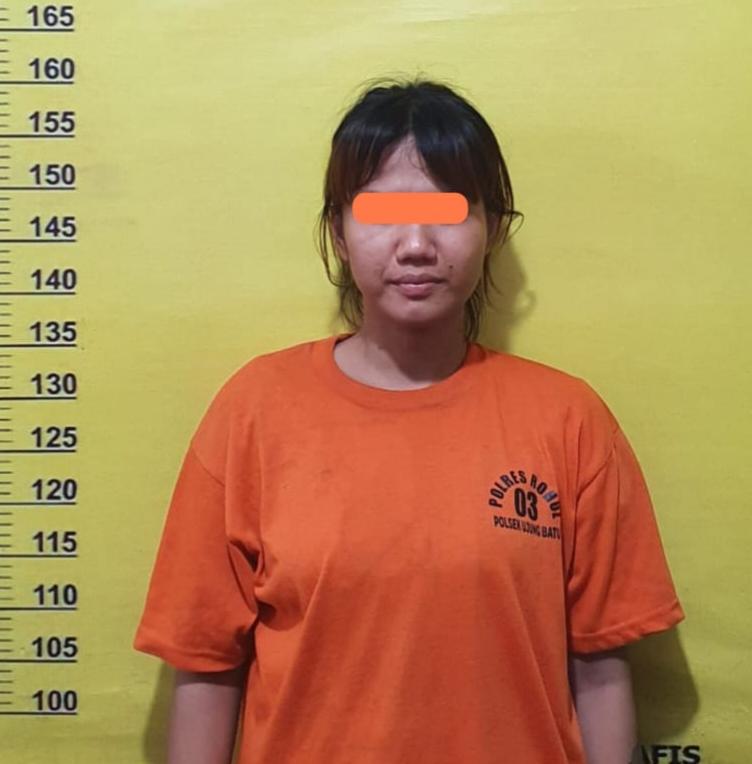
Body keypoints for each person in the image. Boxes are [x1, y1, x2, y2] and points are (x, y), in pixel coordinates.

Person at [132, 75, 685, 764]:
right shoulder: (253, 411)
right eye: (381, 212)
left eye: (449, 212)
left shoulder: (569, 420)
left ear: (493, 229)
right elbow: (206, 667)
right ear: (337, 231)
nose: (416, 244)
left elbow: (601, 668)